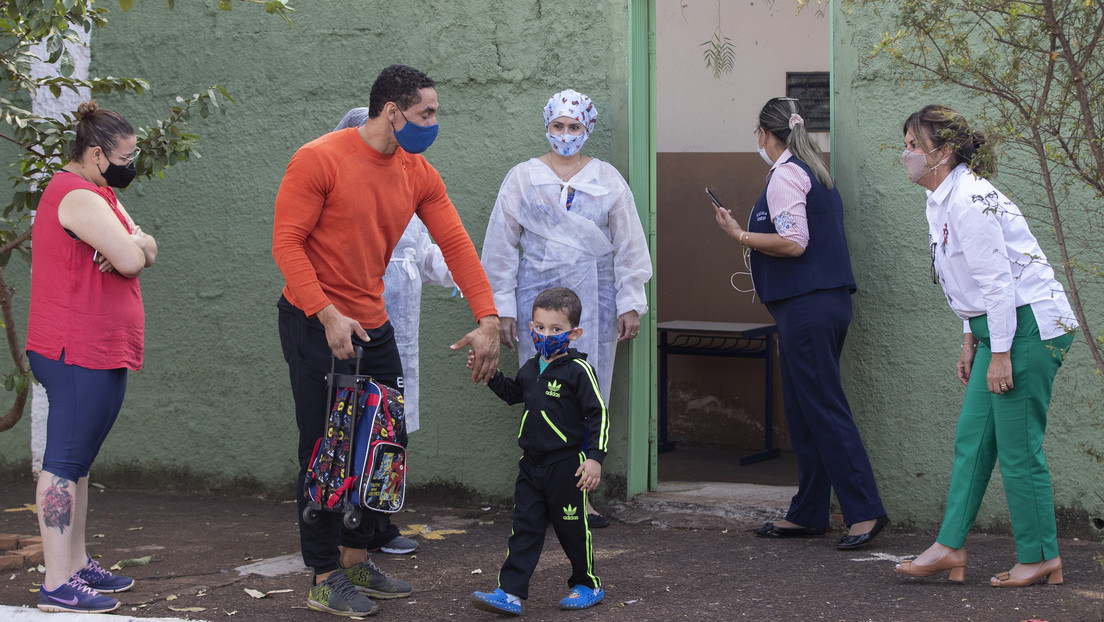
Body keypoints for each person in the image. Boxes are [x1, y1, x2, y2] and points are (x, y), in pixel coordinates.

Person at [273, 65, 500, 617]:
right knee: (326, 451)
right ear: (393, 111)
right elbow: (287, 244)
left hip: (373, 325)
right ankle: (324, 575)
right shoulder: (319, 157)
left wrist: (488, 318)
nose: (433, 122)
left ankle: (355, 559)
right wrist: (326, 314)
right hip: (314, 322)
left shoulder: (416, 171)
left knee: (383, 443)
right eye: (427, 113)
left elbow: (457, 245)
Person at [893, 105, 1077, 587]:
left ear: (945, 152)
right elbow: (966, 283)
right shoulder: (941, 200)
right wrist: (970, 338)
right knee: (973, 440)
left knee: (1017, 447)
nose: (907, 154)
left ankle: (1041, 557)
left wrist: (999, 354)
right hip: (999, 327)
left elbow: (997, 284)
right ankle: (949, 547)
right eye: (907, 143)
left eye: (915, 145)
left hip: (1029, 324)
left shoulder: (970, 199)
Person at [711, 97, 889, 549]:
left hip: (808, 308)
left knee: (824, 407)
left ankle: (864, 513)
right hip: (815, 305)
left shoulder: (787, 175)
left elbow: (794, 243)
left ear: (767, 135)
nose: (757, 141)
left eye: (758, 133)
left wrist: (738, 235)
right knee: (805, 409)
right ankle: (809, 512)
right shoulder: (813, 170)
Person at [480, 88, 652, 527]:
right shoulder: (522, 178)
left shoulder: (607, 179)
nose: (565, 134)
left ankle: (583, 498)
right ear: (547, 126)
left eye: (574, 126)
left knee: (586, 392)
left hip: (593, 299)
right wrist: (501, 308)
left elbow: (628, 244)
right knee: (541, 393)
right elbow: (501, 245)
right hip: (534, 297)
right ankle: (541, 493)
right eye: (558, 126)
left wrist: (629, 302)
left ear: (587, 128)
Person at [26, 100, 158, 613]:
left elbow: (148, 246)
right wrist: (134, 246)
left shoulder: (99, 193)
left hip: (97, 349)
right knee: (62, 462)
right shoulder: (77, 197)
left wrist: (137, 243)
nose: (132, 163)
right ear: (98, 154)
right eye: (127, 155)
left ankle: (76, 565)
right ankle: (57, 582)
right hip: (74, 349)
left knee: (78, 463)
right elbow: (130, 257)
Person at [330, 108, 459, 557]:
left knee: (391, 429)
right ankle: (337, 523)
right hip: (347, 327)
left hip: (399, 332)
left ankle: (378, 523)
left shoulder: (406, 189)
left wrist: (467, 273)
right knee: (345, 427)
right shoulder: (337, 194)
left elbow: (428, 254)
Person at [469, 287, 608, 615]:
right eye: (540, 327)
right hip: (531, 467)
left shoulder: (579, 371)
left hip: (567, 468)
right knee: (525, 527)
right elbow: (513, 393)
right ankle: (510, 593)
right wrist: (489, 375)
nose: (546, 335)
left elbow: (598, 414)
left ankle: (586, 583)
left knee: (572, 529)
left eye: (556, 329)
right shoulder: (531, 368)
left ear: (574, 333)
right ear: (531, 327)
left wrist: (594, 459)